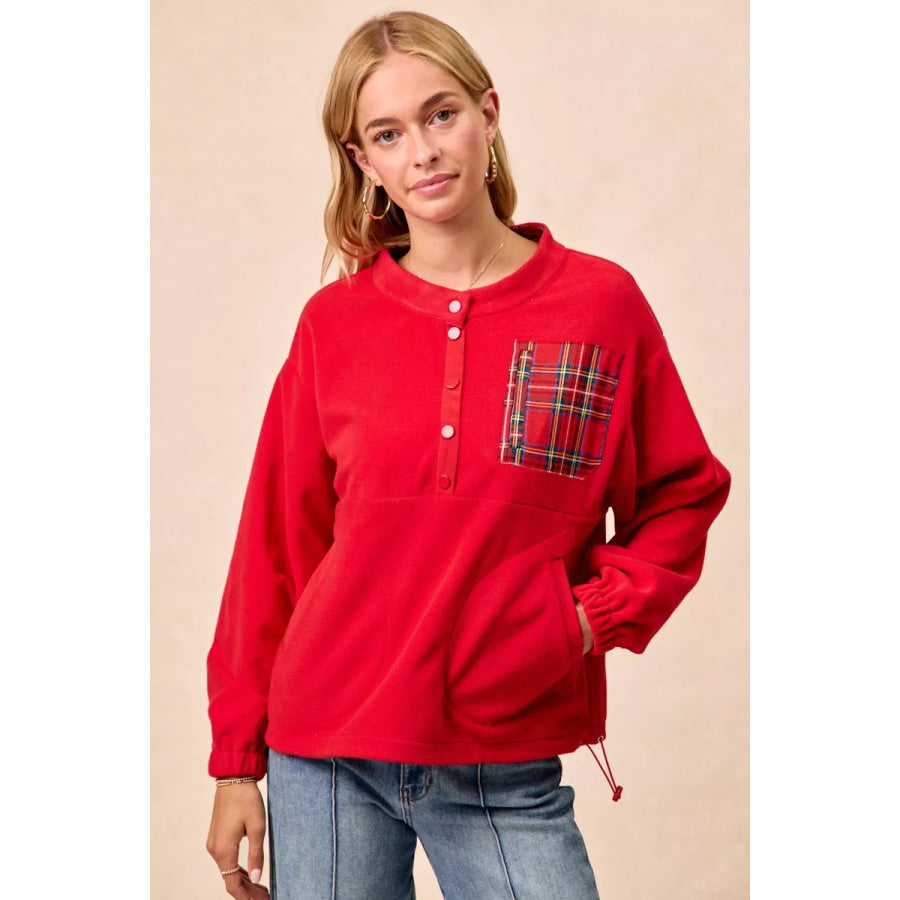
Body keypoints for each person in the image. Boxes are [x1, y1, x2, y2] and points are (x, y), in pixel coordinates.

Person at [205, 10, 732, 900]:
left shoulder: (601, 305)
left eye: (440, 114)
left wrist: (584, 619)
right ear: (363, 161)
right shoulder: (333, 325)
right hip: (324, 753)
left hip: (503, 753)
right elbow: (274, 548)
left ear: (488, 113)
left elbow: (683, 493)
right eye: (387, 134)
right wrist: (234, 763)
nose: (422, 151)